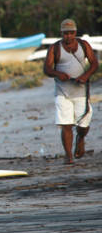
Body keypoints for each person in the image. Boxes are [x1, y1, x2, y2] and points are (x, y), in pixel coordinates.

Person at [43, 19, 98, 164]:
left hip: (81, 92)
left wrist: (85, 76)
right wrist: (57, 74)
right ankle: (68, 156)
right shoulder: (55, 48)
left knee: (83, 125)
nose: (69, 36)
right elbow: (47, 69)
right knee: (66, 124)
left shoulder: (83, 45)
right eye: (66, 33)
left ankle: (80, 139)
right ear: (61, 33)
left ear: (75, 32)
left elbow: (94, 63)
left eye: (71, 33)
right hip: (63, 92)